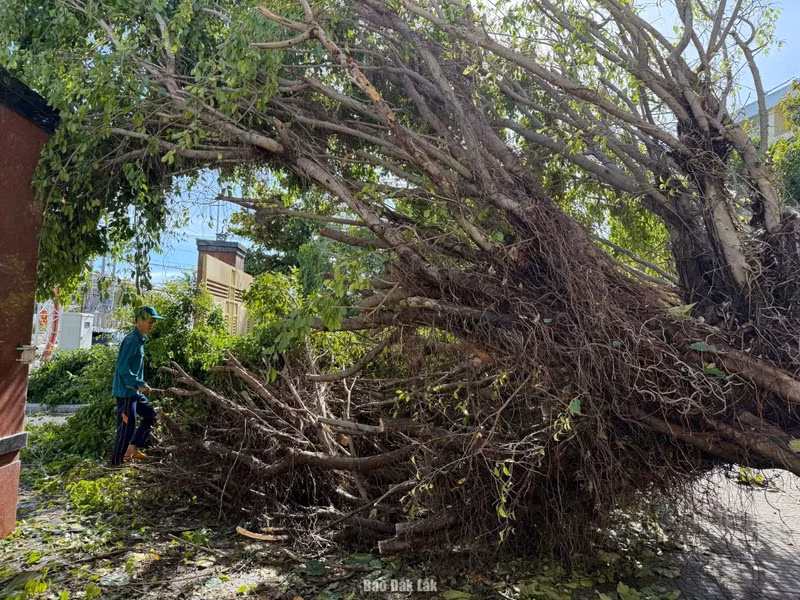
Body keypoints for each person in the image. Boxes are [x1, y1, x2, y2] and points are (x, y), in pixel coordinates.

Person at [111, 306, 164, 465]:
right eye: (150, 322)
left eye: (154, 322)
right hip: (125, 394)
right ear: (139, 320)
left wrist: (141, 385)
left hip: (135, 392)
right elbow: (122, 368)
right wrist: (138, 384)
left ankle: (132, 449)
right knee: (126, 426)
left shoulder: (140, 339)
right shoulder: (131, 340)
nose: (152, 325)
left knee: (151, 415)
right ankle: (116, 463)